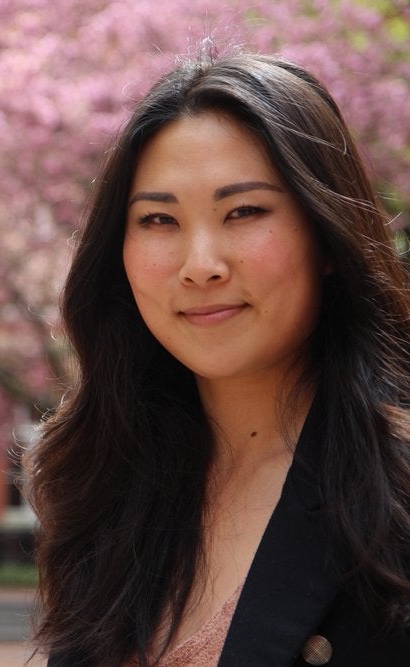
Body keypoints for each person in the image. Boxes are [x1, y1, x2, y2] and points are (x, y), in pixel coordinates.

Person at [25, 50, 410, 666]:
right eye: (158, 219)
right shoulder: (102, 485)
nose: (201, 264)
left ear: (327, 236)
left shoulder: (395, 490)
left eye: (244, 211)